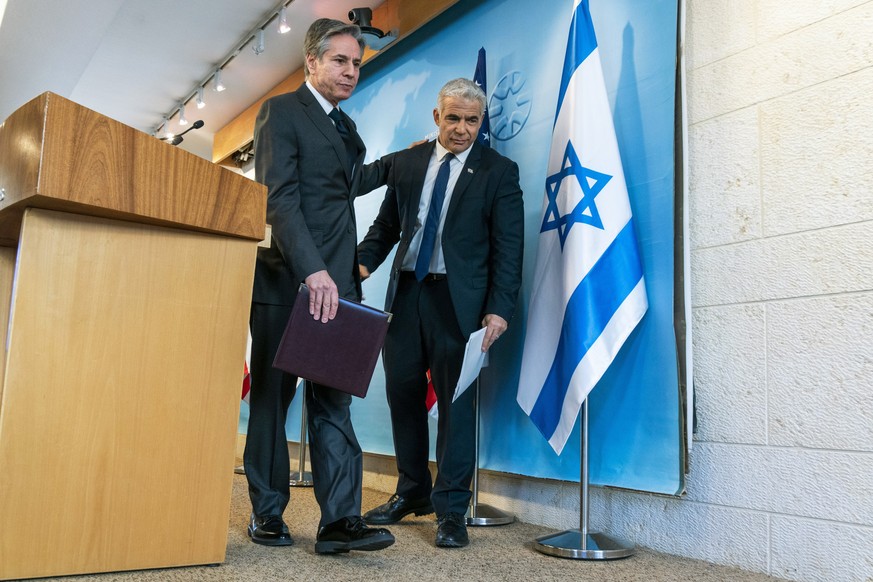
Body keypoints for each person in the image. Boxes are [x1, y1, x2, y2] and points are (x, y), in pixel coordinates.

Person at [244, 18, 394, 555]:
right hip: (288, 281)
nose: (350, 71)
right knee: (272, 399)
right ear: (311, 61)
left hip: (337, 291)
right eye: (339, 61)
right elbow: (278, 199)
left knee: (333, 402)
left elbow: (344, 190)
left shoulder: (346, 129)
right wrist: (313, 270)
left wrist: (407, 159)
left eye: (356, 64)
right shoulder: (281, 113)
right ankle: (267, 513)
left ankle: (339, 523)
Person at [357, 78, 524, 548]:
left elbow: (508, 249)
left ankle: (451, 508)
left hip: (461, 304)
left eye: (472, 120)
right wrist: (361, 265)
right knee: (402, 394)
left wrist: (498, 310)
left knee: (456, 404)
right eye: (453, 118)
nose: (462, 129)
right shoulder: (409, 164)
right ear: (436, 117)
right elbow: (386, 227)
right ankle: (412, 491)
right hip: (407, 296)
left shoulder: (498, 171)